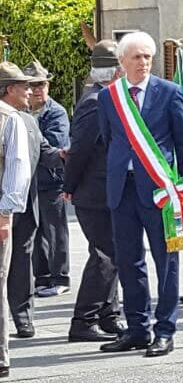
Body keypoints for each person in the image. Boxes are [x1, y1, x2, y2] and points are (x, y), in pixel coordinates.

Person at [97, 32, 183, 357]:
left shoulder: (169, 92)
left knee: (166, 261)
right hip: (121, 190)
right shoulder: (110, 97)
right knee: (128, 262)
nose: (143, 63)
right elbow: (108, 138)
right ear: (122, 61)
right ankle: (138, 329)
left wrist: (174, 178)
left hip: (158, 190)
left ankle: (165, 331)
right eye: (136, 57)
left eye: (147, 57)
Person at [61, 42, 127, 340]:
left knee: (112, 252)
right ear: (114, 71)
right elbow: (81, 150)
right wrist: (69, 186)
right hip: (94, 193)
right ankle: (83, 321)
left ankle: (109, 314)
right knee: (105, 255)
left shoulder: (109, 97)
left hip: (107, 191)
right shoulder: (95, 102)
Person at [1, 63, 36, 378]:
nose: (30, 90)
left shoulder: (11, 120)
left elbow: (18, 170)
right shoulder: (11, 119)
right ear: (8, 89)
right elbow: (17, 166)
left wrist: (5, 214)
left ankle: (1, 356)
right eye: (24, 85)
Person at [23, 62, 70, 299]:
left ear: (48, 85)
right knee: (36, 231)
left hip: (51, 181)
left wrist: (30, 139)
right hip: (29, 182)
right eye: (32, 85)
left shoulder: (56, 112)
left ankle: (61, 277)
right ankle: (41, 277)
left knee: (55, 231)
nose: (37, 90)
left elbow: (55, 145)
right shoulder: (21, 112)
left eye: (41, 84)